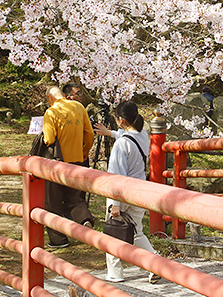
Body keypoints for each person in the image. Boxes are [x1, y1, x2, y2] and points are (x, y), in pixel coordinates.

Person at [93, 101, 160, 284]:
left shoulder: (121, 146)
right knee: (137, 232)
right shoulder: (143, 134)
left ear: (120, 120)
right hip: (140, 191)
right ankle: (156, 263)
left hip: (121, 193)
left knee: (113, 232)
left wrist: (115, 204)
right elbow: (126, 135)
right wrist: (111, 133)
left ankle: (115, 273)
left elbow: (116, 176)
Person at [42, 86, 95, 248]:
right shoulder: (79, 107)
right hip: (77, 161)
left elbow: (49, 139)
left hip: (57, 164)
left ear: (50, 99)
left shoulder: (51, 112)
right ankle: (85, 220)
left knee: (53, 202)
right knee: (75, 198)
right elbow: (90, 134)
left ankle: (59, 240)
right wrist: (84, 151)